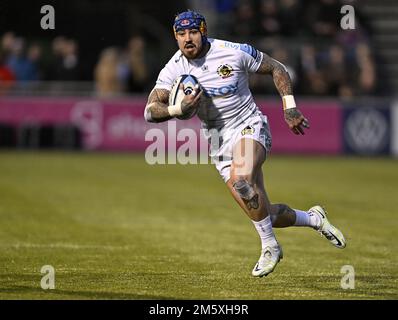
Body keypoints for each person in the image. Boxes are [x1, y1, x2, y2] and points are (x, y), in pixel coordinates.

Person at [144, 10, 346, 278]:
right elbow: (150, 111)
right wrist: (177, 108)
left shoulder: (232, 52)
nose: (187, 39)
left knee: (242, 179)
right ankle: (314, 219)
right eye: (181, 34)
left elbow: (277, 68)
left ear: (203, 31)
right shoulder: (174, 68)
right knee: (266, 213)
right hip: (218, 142)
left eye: (192, 32)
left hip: (249, 125)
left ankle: (270, 247)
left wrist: (290, 107)